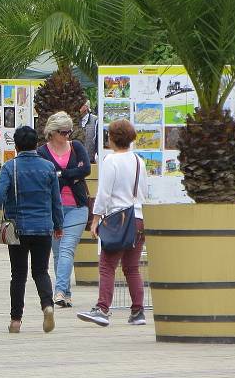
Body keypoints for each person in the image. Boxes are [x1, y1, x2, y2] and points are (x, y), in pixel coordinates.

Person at [0, 125, 63, 334]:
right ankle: (47, 305)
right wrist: (59, 225)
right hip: (43, 227)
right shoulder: (48, 167)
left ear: (16, 145)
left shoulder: (10, 167)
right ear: (36, 144)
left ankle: (16, 320)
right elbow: (56, 200)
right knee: (41, 271)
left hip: (16, 228)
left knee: (18, 275)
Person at [76, 119, 147, 327]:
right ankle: (137, 311)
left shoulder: (110, 161)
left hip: (119, 218)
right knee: (132, 268)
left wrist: (95, 219)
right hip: (139, 217)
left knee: (107, 265)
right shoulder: (138, 161)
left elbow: (104, 194)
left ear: (112, 138)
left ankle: (102, 308)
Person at [37, 111, 91, 308]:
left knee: (67, 248)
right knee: (58, 252)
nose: (67, 135)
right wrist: (70, 175)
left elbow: (85, 170)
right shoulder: (42, 152)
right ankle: (66, 294)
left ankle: (58, 291)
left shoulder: (76, 147)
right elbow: (46, 175)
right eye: (62, 132)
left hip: (77, 206)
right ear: (52, 132)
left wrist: (61, 174)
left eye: (69, 131)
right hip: (53, 207)